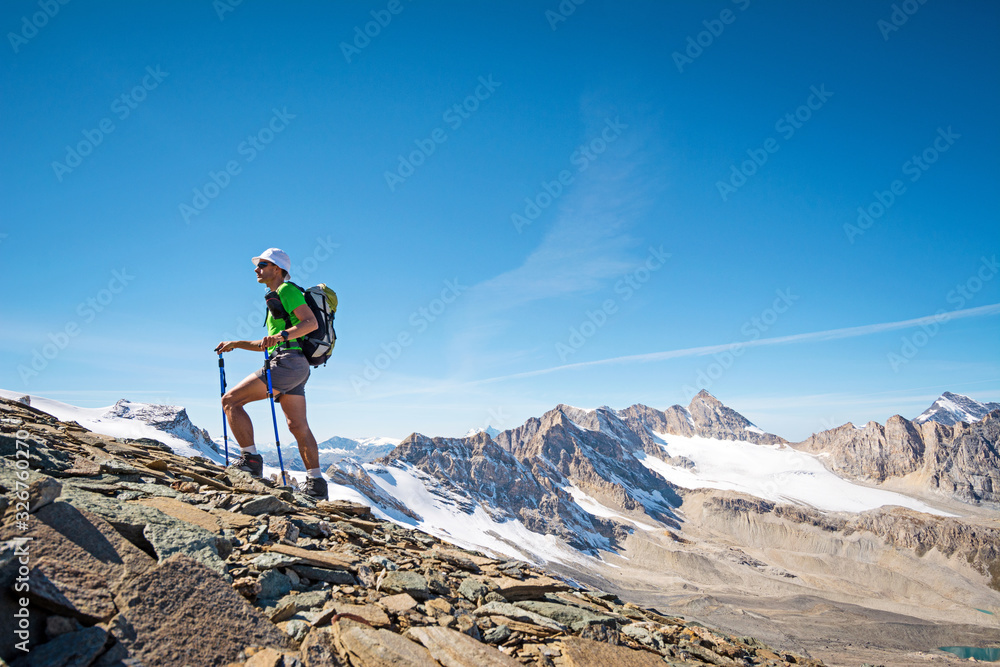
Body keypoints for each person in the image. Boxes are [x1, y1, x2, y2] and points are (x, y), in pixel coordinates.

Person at [215, 248, 328, 500]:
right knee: (297, 425)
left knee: (231, 401)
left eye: (262, 265)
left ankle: (250, 460)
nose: (257, 269)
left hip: (287, 362)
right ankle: (316, 484)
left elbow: (310, 323)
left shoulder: (286, 290)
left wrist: (283, 335)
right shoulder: (274, 296)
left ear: (277, 269)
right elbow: (266, 343)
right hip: (297, 365)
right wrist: (236, 343)